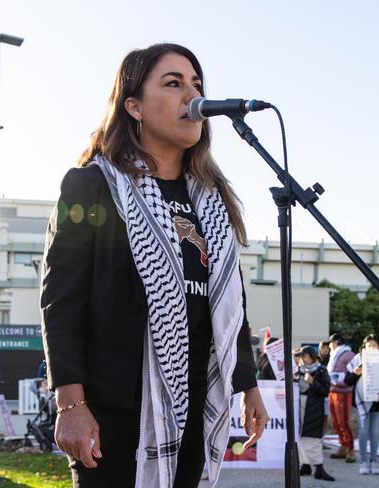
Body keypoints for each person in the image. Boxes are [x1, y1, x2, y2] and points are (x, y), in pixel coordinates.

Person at [40, 43, 268, 488]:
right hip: (114, 406)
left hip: (195, 401)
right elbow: (60, 299)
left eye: (197, 85)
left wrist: (248, 385)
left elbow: (228, 306)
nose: (192, 95)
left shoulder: (212, 201)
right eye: (173, 83)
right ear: (134, 106)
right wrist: (70, 403)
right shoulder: (92, 186)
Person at [345, 334, 379, 475]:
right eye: (369, 346)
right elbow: (347, 380)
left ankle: (373, 462)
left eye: (375, 346)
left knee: (374, 433)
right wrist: (355, 373)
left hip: (378, 403)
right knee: (363, 432)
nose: (372, 348)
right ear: (364, 347)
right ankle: (363, 462)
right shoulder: (358, 359)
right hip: (362, 401)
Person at [294, 346, 335, 481]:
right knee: (300, 436)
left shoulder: (321, 370)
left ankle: (318, 467)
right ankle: (305, 465)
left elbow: (325, 391)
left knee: (313, 438)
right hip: (300, 407)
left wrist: (313, 382)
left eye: (304, 356)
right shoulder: (298, 371)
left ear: (312, 357)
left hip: (314, 408)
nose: (302, 359)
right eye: (301, 357)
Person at [327, 333, 356, 463]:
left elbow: (354, 372)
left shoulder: (348, 354)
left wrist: (341, 380)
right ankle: (343, 445)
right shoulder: (335, 354)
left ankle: (350, 448)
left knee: (343, 421)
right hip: (333, 390)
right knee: (335, 422)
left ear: (336, 342)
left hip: (343, 391)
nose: (329, 345)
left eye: (331, 342)